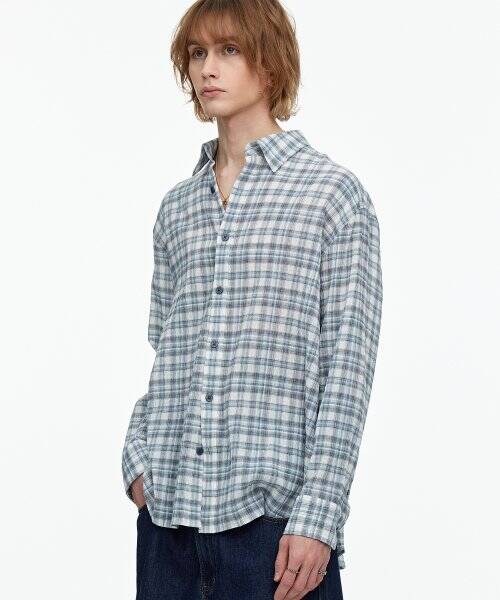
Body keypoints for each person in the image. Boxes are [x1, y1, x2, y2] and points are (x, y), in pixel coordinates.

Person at [121, 1, 383, 598]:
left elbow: (347, 370)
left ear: (270, 62)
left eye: (229, 50)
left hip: (275, 532)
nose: (207, 68)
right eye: (197, 53)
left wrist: (319, 517)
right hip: (168, 525)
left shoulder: (331, 196)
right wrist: (138, 462)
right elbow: (166, 349)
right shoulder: (177, 207)